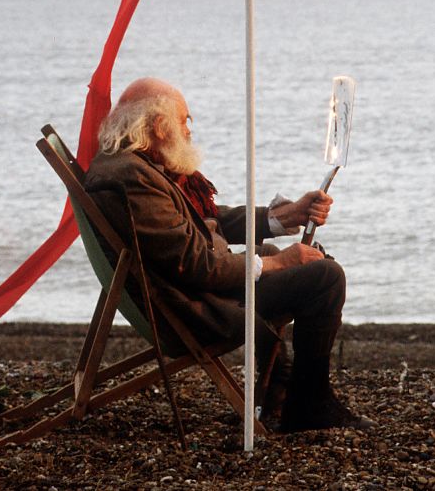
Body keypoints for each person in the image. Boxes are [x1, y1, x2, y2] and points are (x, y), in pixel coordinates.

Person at [83, 77, 373, 433]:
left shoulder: (130, 166)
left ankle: (278, 388)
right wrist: (280, 263)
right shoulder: (132, 179)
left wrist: (282, 216)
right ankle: (310, 405)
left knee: (271, 252)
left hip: (189, 294)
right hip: (193, 311)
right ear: (160, 127)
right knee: (324, 278)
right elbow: (196, 263)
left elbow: (202, 222)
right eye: (184, 120)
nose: (188, 131)